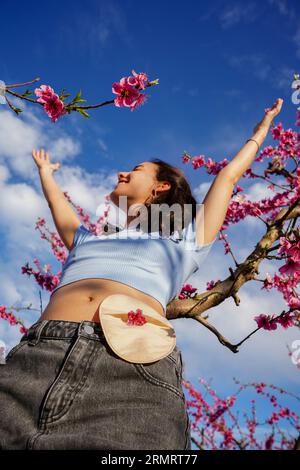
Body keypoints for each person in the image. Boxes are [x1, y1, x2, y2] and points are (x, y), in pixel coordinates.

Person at [0, 98, 283, 450]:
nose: (121, 173)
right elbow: (61, 210)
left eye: (134, 169)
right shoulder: (88, 240)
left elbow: (227, 177)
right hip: (34, 362)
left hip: (131, 373)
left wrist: (260, 132)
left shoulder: (186, 238)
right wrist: (45, 174)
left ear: (160, 186)